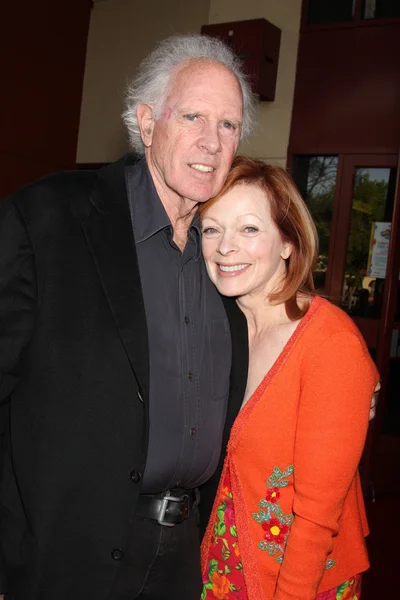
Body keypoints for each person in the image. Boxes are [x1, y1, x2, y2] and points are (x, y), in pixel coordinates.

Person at [0, 35, 255, 600]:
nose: (211, 142)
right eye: (192, 116)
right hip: (62, 558)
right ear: (146, 121)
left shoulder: (229, 256)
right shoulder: (47, 219)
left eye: (229, 125)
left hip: (184, 555)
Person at [199, 156, 379, 600]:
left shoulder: (330, 343)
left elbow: (318, 516)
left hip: (298, 576)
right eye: (211, 228)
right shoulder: (215, 328)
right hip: (220, 561)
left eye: (248, 228)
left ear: (287, 242)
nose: (225, 247)